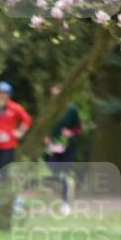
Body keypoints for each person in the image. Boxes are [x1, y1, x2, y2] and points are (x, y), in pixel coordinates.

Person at [43, 83, 83, 215]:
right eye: (53, 96)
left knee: (63, 173)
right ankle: (62, 192)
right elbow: (42, 127)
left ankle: (65, 203)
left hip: (67, 146)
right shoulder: (48, 109)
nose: (55, 98)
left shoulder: (71, 110)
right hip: (52, 147)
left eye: (58, 95)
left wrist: (70, 133)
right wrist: (46, 136)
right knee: (54, 171)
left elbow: (79, 128)